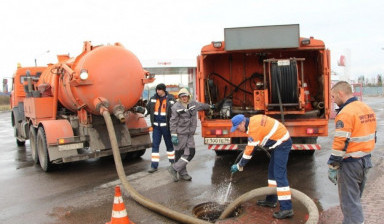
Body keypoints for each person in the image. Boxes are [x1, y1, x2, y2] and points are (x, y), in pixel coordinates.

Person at [327, 81, 376, 224]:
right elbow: (373, 134)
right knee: (355, 199)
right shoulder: (366, 108)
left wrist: (333, 165)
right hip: (365, 160)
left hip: (350, 163)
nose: (333, 100)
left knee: (349, 204)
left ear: (341, 93)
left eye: (333, 96)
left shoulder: (346, 113)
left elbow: (340, 143)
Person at [230, 114, 294, 219]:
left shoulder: (254, 129)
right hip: (278, 142)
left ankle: (287, 208)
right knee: (272, 172)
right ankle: (271, 200)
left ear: (242, 123)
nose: (238, 130)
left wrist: (239, 165)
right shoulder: (252, 121)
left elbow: (249, 151)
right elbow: (251, 146)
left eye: (237, 127)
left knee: (279, 175)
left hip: (283, 143)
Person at [167, 88, 213, 181]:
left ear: (189, 96)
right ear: (179, 97)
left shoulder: (193, 104)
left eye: (185, 96)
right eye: (182, 96)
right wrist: (174, 134)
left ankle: (174, 168)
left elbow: (202, 106)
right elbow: (173, 122)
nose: (184, 98)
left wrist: (211, 106)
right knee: (180, 154)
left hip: (189, 134)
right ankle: (183, 173)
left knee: (190, 153)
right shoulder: (176, 107)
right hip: (180, 134)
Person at [145, 83, 176, 173]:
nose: (157, 91)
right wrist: (142, 110)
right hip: (156, 127)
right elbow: (147, 110)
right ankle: (154, 166)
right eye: (157, 89)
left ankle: (173, 163)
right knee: (155, 146)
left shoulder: (170, 99)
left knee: (169, 145)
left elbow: (176, 112)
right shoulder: (153, 99)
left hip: (166, 127)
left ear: (163, 90)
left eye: (159, 89)